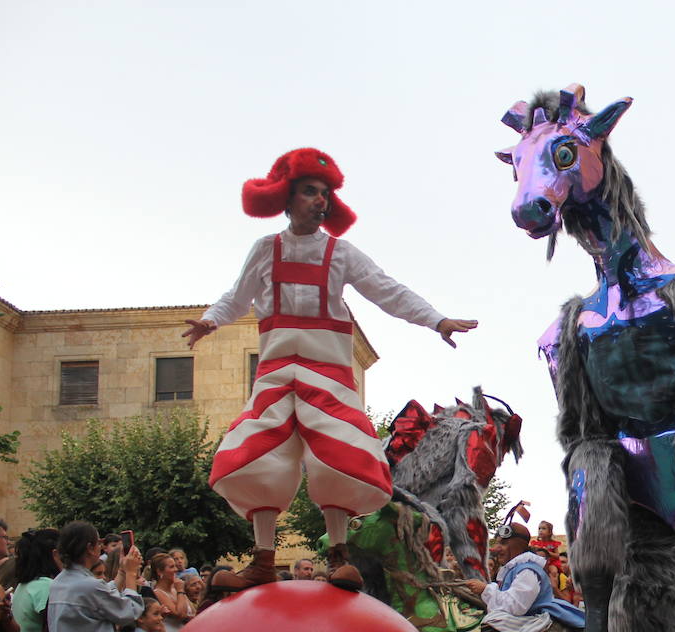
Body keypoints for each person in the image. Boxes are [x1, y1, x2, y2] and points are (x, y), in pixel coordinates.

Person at [182, 147, 478, 593]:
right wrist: (210, 320)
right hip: (278, 373)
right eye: (309, 192)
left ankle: (339, 557)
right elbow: (237, 296)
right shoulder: (265, 250)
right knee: (261, 455)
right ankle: (263, 560)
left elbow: (387, 290)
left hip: (329, 376)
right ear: (287, 198)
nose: (320, 201)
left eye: (325, 194)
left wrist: (436, 319)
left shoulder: (341, 254)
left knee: (337, 456)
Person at [148, 553, 193, 632]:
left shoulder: (176, 589)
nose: (176, 570)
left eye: (175, 566)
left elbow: (192, 612)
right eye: (171, 567)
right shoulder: (158, 592)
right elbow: (180, 614)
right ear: (159, 572)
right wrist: (180, 591)